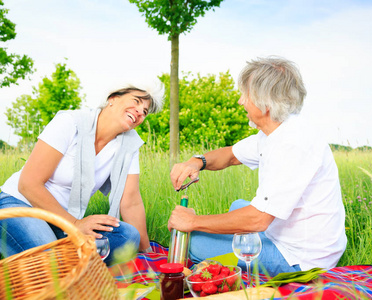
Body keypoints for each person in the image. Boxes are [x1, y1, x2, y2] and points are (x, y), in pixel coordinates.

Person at [168, 56, 347, 276]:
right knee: (237, 206)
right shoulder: (275, 132)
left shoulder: (293, 144)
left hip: (302, 257)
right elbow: (231, 155)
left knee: (195, 243)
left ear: (266, 102)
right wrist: (197, 162)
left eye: (246, 95)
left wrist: (192, 221)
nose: (240, 102)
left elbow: (258, 219)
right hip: (286, 232)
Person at [0, 84, 163, 265]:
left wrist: (147, 252)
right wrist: (75, 225)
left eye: (145, 111)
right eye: (136, 101)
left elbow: (131, 201)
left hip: (63, 222)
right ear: (113, 99)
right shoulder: (70, 122)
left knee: (127, 236)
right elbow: (28, 184)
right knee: (51, 267)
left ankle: (58, 259)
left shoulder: (129, 146)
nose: (140, 111)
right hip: (21, 205)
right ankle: (57, 262)